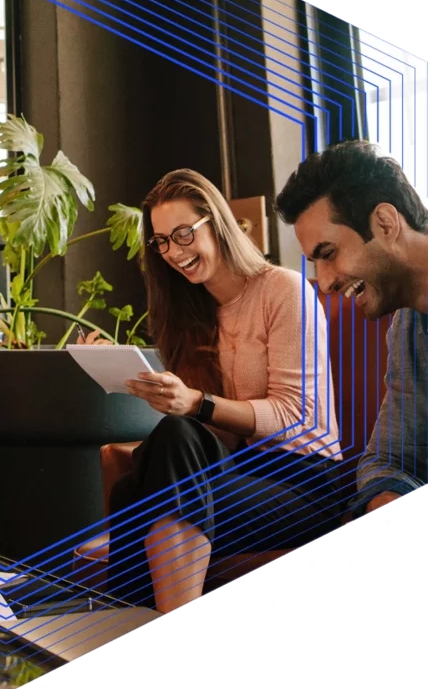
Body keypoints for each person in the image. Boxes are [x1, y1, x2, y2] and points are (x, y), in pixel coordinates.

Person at [102, 169, 343, 613]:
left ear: (216, 222)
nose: (174, 252)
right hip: (241, 472)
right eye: (162, 242)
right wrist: (150, 388)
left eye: (182, 234)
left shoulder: (282, 289)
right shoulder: (188, 312)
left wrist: (197, 403)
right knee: (145, 474)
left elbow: (294, 415)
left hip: (307, 484)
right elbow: (215, 436)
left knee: (150, 476)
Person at [274, 139, 427, 517]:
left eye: (328, 255)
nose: (323, 283)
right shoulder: (407, 328)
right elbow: (388, 460)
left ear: (386, 223)